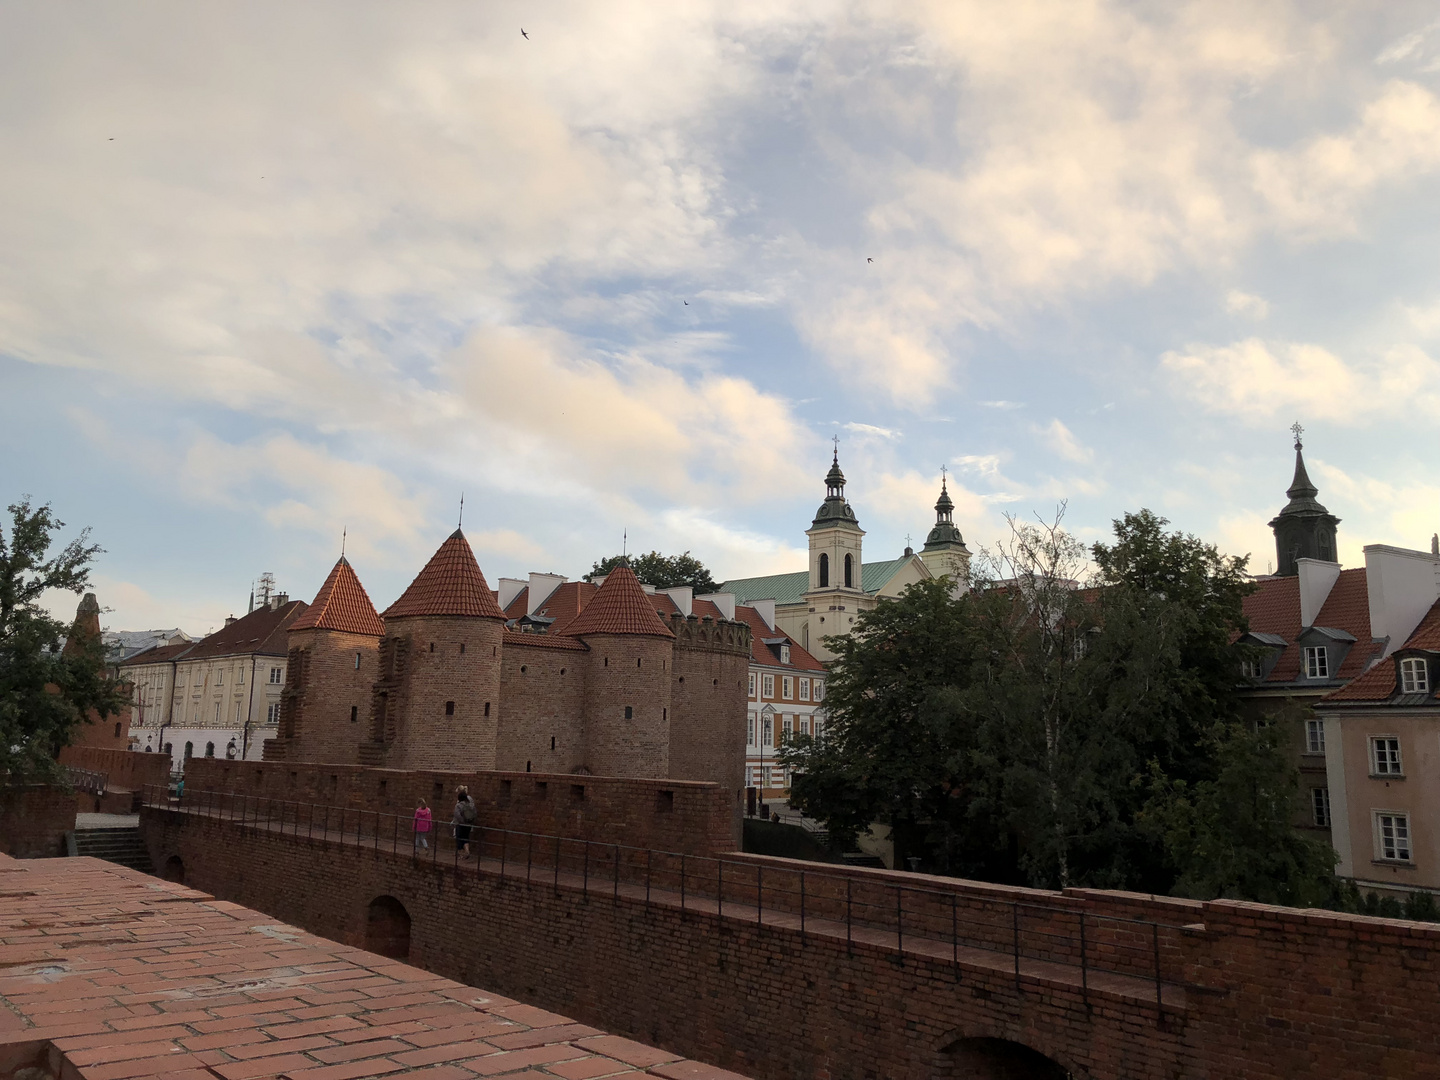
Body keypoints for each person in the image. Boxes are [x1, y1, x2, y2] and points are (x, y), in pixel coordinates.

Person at [452, 786, 477, 859]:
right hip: (468, 824)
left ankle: (461, 854)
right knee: (466, 837)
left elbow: (457, 814)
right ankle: (467, 851)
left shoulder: (459, 805)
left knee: (459, 838)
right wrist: (471, 821)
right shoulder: (470, 804)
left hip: (460, 825)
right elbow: (475, 813)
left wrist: (462, 821)